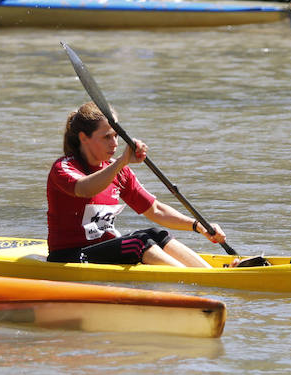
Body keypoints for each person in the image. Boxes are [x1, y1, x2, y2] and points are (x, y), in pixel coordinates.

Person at [46, 102, 224, 267]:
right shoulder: (63, 168)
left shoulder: (118, 170)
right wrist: (122, 161)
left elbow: (155, 210)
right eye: (107, 137)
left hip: (103, 250)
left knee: (156, 234)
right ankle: (194, 281)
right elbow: (85, 189)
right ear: (84, 138)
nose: (114, 144)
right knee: (139, 242)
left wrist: (198, 225)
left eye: (116, 136)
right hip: (68, 257)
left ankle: (210, 274)